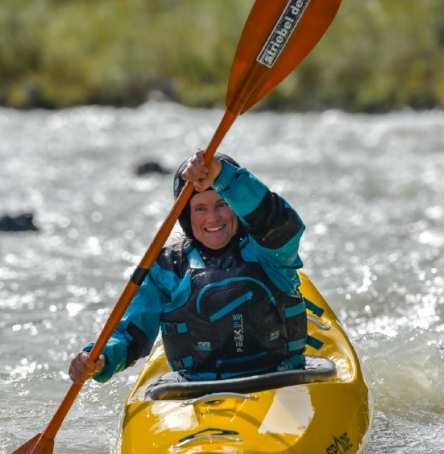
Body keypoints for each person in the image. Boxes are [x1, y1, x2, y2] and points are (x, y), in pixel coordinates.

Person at [68, 149, 308, 384]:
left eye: (222, 204)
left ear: (237, 206)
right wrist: (101, 357)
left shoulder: (270, 251)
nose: (213, 218)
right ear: (186, 216)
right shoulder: (168, 268)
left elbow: (278, 222)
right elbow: (131, 332)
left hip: (282, 378)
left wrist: (223, 175)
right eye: (200, 209)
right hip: (198, 388)